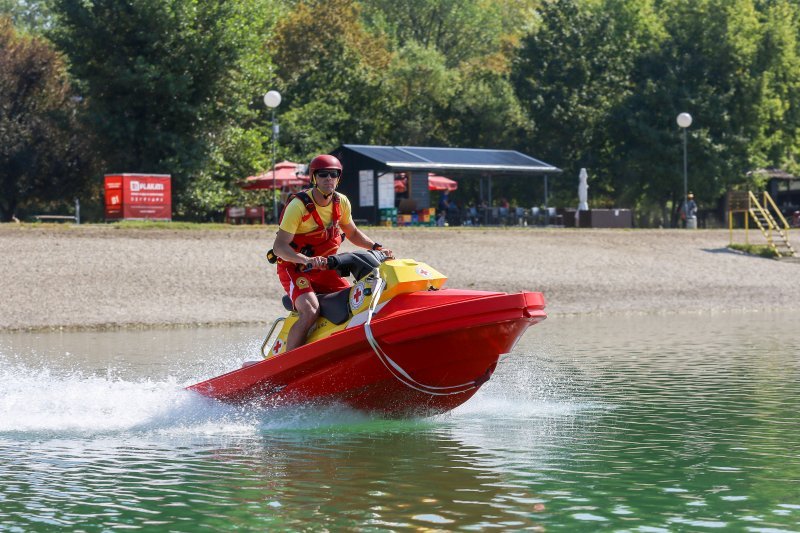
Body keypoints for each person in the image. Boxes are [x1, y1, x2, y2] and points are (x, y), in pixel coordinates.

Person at [272, 154, 393, 351]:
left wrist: (375, 247)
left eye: (334, 174)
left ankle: (351, 346)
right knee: (311, 309)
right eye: (323, 174)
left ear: (339, 178)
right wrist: (305, 259)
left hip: (324, 267)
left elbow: (352, 232)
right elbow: (280, 247)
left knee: (358, 300)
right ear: (314, 178)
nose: (329, 178)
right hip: (295, 268)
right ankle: (288, 360)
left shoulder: (341, 202)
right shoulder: (298, 206)